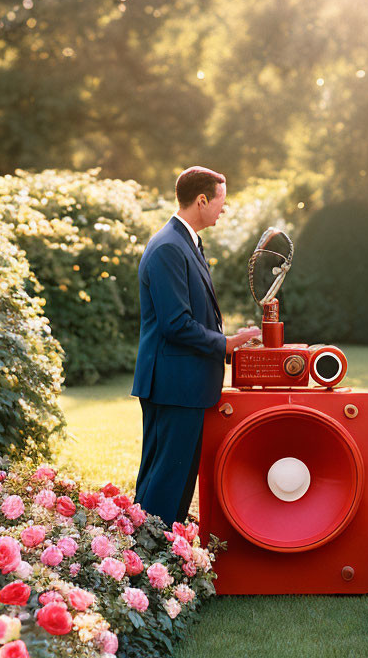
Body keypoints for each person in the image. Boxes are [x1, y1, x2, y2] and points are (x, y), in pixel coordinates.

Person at [131, 166, 260, 526]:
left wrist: (228, 337)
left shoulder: (185, 242)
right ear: (201, 200)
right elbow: (175, 324)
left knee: (172, 479)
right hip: (174, 384)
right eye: (222, 200)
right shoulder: (169, 248)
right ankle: (150, 560)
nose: (225, 208)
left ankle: (156, 555)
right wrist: (226, 345)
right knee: (166, 482)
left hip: (182, 382)